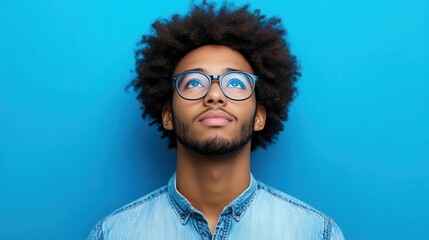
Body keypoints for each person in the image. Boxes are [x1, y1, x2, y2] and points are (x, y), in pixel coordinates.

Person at [88, 1, 345, 239]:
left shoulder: (315, 233)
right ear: (168, 116)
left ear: (259, 117)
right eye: (193, 82)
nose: (214, 95)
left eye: (235, 82)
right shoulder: (113, 234)